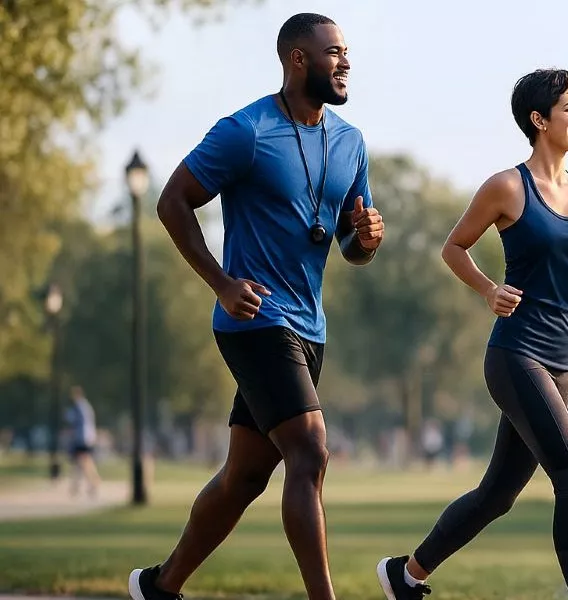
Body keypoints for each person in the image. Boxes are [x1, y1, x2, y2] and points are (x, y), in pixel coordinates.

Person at [127, 13, 383, 600]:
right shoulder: (246, 131)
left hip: (310, 326)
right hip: (255, 319)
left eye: (347, 52)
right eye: (333, 53)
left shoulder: (350, 142)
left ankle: (161, 586)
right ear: (297, 59)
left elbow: (349, 245)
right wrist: (220, 282)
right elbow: (172, 201)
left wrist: (366, 239)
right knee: (310, 450)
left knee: (244, 477)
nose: (345, 63)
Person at [376, 68, 568, 600]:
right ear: (539, 120)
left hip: (562, 364)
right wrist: (488, 289)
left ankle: (405, 575)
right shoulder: (507, 187)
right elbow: (453, 247)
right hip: (516, 354)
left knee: (497, 495)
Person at [64, 386, 102, 498]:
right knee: (82, 461)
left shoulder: (79, 407)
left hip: (82, 438)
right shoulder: (86, 406)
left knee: (82, 461)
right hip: (87, 437)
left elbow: (71, 418)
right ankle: (77, 485)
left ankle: (90, 482)